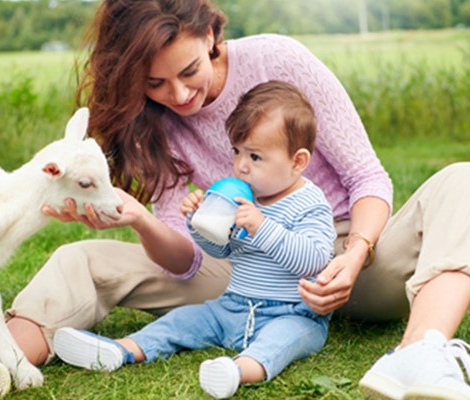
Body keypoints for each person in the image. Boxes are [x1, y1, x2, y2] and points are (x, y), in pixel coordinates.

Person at [0, 1, 470, 399]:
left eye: (189, 71)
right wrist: (142, 218)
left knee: (469, 178)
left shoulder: (278, 60)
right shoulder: (156, 126)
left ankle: (418, 355)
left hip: (341, 255)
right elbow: (189, 260)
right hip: (241, 271)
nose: (180, 95)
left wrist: (354, 254)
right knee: (80, 258)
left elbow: (367, 177)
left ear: (211, 32)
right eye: (156, 83)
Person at [51, 80, 336, 399]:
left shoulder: (310, 203)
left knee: (280, 341)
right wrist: (200, 225)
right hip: (234, 306)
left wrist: (262, 227)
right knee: (184, 320)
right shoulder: (245, 197)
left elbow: (313, 259)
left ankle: (237, 370)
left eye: (255, 157)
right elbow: (224, 249)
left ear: (297, 162)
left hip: (290, 312)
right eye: (237, 151)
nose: (241, 166)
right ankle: (122, 350)